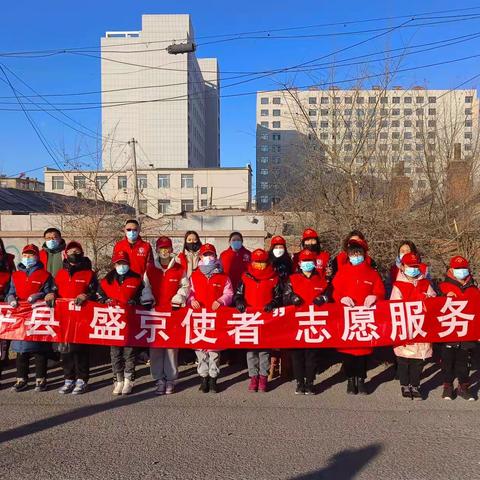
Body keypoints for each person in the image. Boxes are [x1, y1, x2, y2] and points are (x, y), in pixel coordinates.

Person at [332, 238, 385, 395]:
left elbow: (380, 291)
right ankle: (350, 379)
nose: (356, 256)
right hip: (347, 316)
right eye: (353, 253)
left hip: (364, 317)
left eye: (359, 253)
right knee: (348, 350)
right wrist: (341, 298)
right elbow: (335, 290)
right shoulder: (342, 272)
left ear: (364, 254)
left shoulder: (372, 273)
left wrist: (375, 297)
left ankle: (361, 379)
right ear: (348, 255)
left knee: (363, 351)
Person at [143, 236, 190, 395]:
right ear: (157, 250)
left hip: (172, 314)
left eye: (167, 248)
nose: (164, 251)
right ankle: (159, 379)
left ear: (171, 250)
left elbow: (185, 286)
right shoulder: (150, 268)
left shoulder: (178, 268)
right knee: (155, 348)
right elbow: (145, 286)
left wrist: (179, 296)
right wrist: (147, 296)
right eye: (161, 248)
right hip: (155, 313)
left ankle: (170, 379)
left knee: (171, 347)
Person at [234, 249, 282, 393]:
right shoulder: (246, 277)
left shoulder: (274, 277)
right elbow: (238, 293)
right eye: (257, 262)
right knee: (251, 351)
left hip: (266, 319)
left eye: (262, 262)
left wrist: (273, 303)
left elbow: (279, 296)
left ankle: (263, 377)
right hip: (250, 318)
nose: (259, 265)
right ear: (252, 262)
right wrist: (239, 301)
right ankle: (253, 377)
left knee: (264, 351)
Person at [8, 244, 55, 392]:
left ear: (36, 257)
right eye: (26, 255)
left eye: (31, 255)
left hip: (37, 314)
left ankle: (41, 379)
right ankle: (21, 379)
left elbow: (49, 292)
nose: (28, 258)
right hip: (21, 315)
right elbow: (11, 291)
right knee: (22, 349)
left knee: (39, 348)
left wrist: (38, 295)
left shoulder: (45, 275)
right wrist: (11, 299)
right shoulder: (16, 275)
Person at [283, 249, 331, 395]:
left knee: (311, 355)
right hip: (296, 322)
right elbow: (285, 296)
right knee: (297, 355)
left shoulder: (321, 280)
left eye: (310, 261)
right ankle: (299, 382)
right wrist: (292, 298)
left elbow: (329, 295)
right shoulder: (292, 279)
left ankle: (310, 382)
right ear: (300, 263)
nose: (307, 264)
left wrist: (323, 298)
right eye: (304, 261)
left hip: (314, 322)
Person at [98, 250, 145, 396]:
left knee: (129, 353)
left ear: (128, 264)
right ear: (114, 264)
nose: (121, 266)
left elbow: (144, 297)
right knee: (115, 353)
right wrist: (104, 300)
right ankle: (117, 379)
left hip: (130, 321)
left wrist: (135, 302)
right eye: (119, 263)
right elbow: (100, 295)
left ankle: (128, 379)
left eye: (124, 263)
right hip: (113, 322)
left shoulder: (137, 279)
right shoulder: (107, 280)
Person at [53, 241, 97, 395]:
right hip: (64, 317)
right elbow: (54, 290)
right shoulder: (60, 273)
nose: (74, 254)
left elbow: (96, 293)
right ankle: (68, 378)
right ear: (66, 254)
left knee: (80, 350)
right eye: (71, 251)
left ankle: (82, 379)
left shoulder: (89, 273)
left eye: (77, 251)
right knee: (65, 350)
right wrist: (51, 294)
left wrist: (86, 295)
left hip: (82, 317)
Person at [390, 252, 435, 400]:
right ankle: (404, 384)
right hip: (405, 327)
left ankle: (415, 385)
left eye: (416, 266)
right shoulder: (398, 285)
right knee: (403, 361)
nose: (413, 269)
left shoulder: (425, 283)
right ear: (403, 267)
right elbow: (394, 306)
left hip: (421, 328)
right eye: (410, 266)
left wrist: (428, 299)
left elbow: (434, 301)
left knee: (418, 362)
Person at [189, 243, 233, 393]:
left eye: (211, 254)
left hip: (216, 318)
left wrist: (221, 301)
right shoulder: (194, 275)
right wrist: (191, 300)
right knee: (200, 349)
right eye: (205, 255)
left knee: (214, 350)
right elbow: (189, 292)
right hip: (199, 317)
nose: (209, 257)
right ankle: (203, 378)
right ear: (200, 257)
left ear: (215, 257)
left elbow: (229, 293)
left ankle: (214, 378)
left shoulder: (223, 276)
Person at [438, 255, 479, 401]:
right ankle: (448, 386)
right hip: (448, 331)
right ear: (451, 270)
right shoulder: (443, 286)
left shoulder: (473, 288)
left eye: (463, 268)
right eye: (457, 268)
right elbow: (433, 306)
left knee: (464, 362)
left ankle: (463, 386)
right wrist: (444, 297)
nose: (461, 271)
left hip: (466, 333)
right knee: (447, 361)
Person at [268, 235, 294, 380]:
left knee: (286, 334)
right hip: (273, 300)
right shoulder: (268, 262)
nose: (278, 250)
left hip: (287, 300)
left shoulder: (288, 262)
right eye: (276, 247)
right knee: (274, 335)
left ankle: (286, 366)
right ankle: (273, 365)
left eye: (281, 247)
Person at [0, 238, 15, 383]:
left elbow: (15, 278)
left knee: (5, 331)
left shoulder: (8, 260)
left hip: (4, 299)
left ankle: (4, 357)